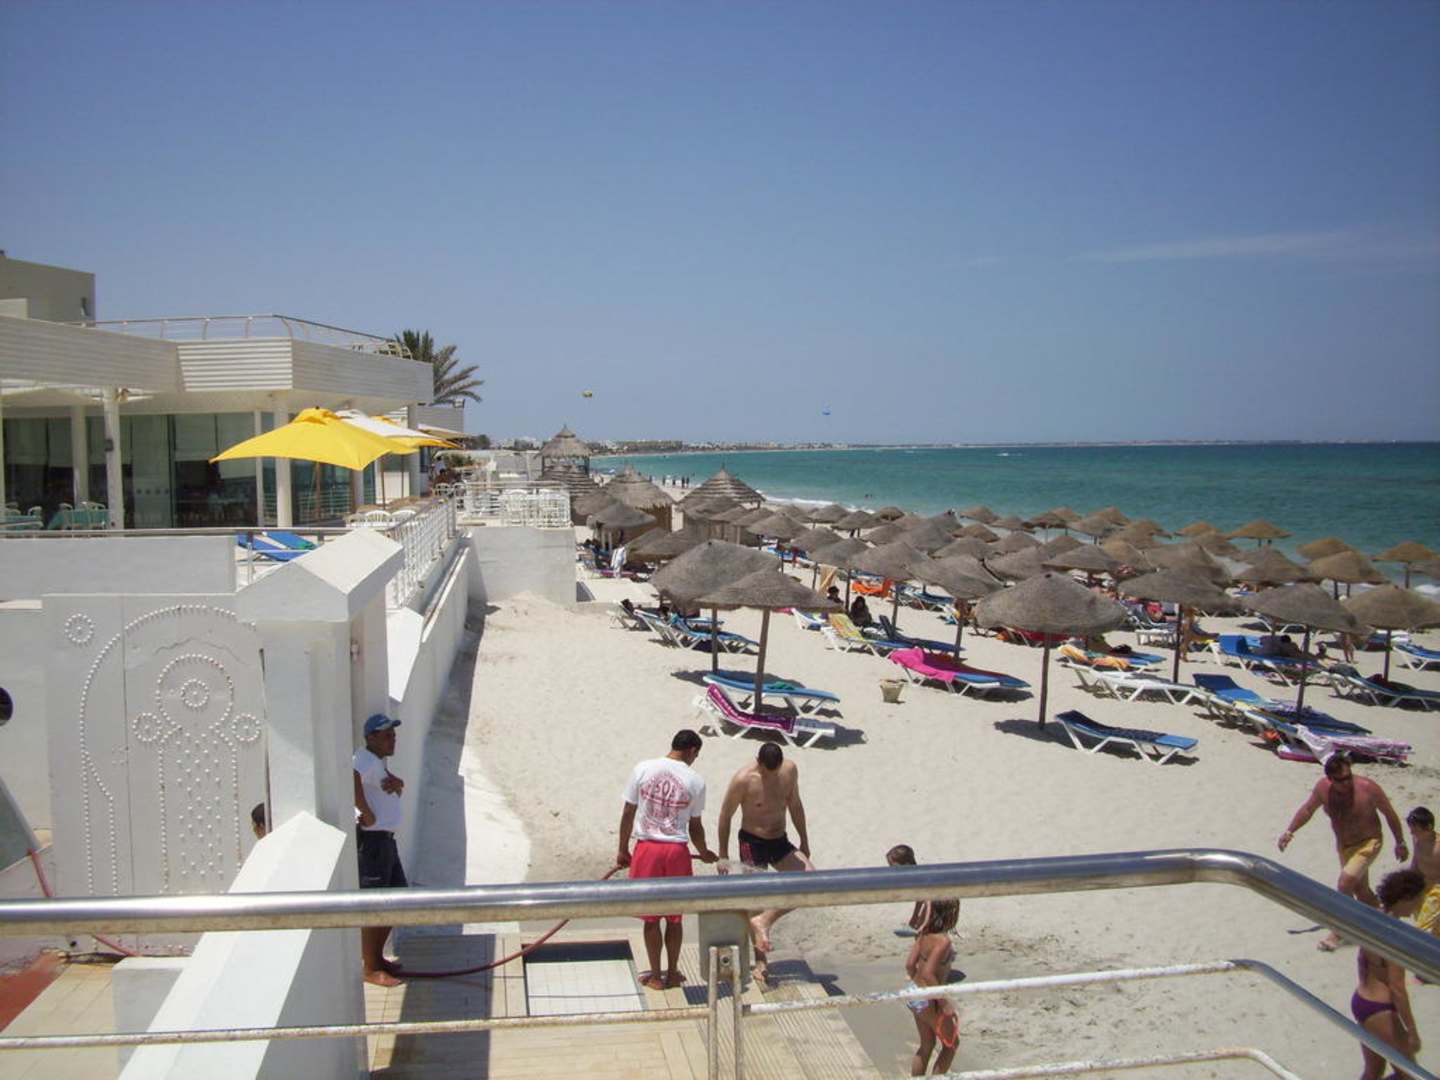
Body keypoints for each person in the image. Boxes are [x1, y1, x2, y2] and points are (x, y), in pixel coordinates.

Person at [617, 729, 718, 990]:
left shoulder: (643, 768)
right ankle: (672, 973)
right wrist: (704, 852)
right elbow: (695, 826)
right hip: (676, 851)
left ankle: (655, 976)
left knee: (651, 919)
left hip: (647, 849)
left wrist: (622, 850)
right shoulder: (696, 780)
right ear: (692, 750)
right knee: (675, 918)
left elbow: (628, 811)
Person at [1278, 753, 1408, 951]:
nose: (1347, 783)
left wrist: (1400, 842)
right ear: (1330, 779)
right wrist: (1290, 831)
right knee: (1360, 890)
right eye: (1341, 780)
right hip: (1345, 845)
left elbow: (1389, 814)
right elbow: (1307, 810)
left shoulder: (1368, 788)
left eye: (1349, 777)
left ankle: (1339, 931)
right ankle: (1387, 922)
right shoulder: (1323, 789)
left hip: (1369, 842)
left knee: (1345, 882)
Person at [716, 743, 815, 987]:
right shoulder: (743, 779)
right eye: (766, 772)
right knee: (755, 899)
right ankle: (761, 962)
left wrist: (804, 839)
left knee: (810, 882)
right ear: (758, 761)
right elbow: (725, 816)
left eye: (775, 771)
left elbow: (795, 804)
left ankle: (765, 920)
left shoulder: (789, 770)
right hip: (752, 841)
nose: (771, 776)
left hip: (780, 840)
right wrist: (722, 854)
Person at [886, 845, 961, 1075]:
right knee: (951, 1045)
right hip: (929, 996)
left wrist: (916, 983)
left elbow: (910, 965)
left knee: (926, 1045)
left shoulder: (922, 936)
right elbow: (928, 973)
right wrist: (943, 1002)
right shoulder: (943, 941)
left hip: (913, 992)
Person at [1351, 869, 1426, 1079]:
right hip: (1381, 1009)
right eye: (1417, 900)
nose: (1418, 905)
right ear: (1405, 898)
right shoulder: (1395, 936)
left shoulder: (1373, 920)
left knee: (1373, 1071)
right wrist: (1412, 1030)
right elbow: (1398, 988)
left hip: (1361, 1000)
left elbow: (1362, 963)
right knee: (1408, 1074)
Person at [354, 713, 407, 986]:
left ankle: (377, 959)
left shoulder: (376, 763)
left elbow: (389, 789)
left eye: (393, 735)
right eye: (387, 736)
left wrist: (398, 784)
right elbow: (351, 776)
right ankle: (370, 968)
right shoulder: (363, 759)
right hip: (374, 843)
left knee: (398, 898)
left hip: (386, 841)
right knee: (374, 905)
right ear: (371, 737)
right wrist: (365, 812)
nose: (392, 740)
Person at [1408, 806, 1440, 938]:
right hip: (1422, 886)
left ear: (1429, 827)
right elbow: (1416, 860)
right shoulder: (1416, 839)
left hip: (1437, 891)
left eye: (1415, 830)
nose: (1412, 832)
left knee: (1421, 928)